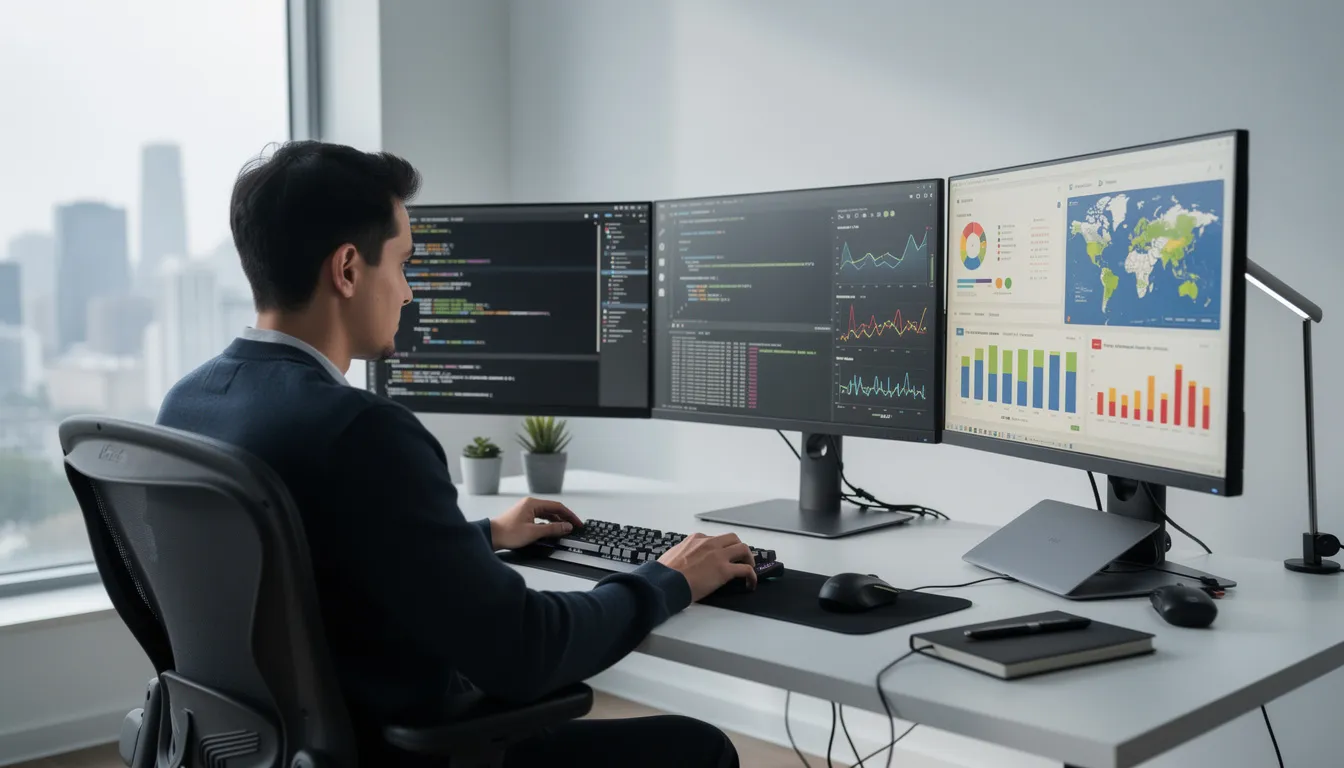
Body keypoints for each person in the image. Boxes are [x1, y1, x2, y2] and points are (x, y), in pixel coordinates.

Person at [155, 141, 754, 767]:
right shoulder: (362, 432)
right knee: (700, 748)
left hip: (261, 748)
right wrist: (669, 578)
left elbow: (311, 565)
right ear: (349, 270)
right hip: (400, 752)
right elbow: (525, 653)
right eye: (405, 264)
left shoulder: (188, 404)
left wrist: (483, 534)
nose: (409, 293)